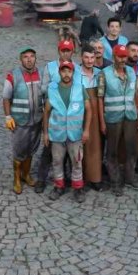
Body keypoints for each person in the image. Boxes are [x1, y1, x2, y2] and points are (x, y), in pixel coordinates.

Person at [98, 45, 138, 196]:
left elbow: (133, 96)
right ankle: (115, 181)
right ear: (113, 57)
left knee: (131, 149)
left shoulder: (131, 72)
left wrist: (137, 115)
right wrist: (102, 121)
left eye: (124, 56)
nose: (123, 59)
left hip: (130, 116)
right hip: (112, 118)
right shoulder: (104, 74)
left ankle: (130, 177)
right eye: (120, 56)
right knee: (112, 151)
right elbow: (100, 99)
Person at [42, 62, 91, 202]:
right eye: (63, 71)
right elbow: (46, 112)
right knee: (57, 162)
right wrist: (45, 133)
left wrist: (86, 130)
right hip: (57, 135)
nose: (66, 74)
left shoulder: (80, 88)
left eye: (69, 71)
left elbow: (89, 110)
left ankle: (78, 188)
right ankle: (59, 186)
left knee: (77, 162)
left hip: (75, 135)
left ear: (73, 73)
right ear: (59, 73)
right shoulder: (52, 90)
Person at [3, 47, 46, 194]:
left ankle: (26, 175)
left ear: (35, 58)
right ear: (21, 59)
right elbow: (6, 98)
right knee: (19, 150)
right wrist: (8, 117)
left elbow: (45, 95)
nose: (29, 59)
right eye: (26, 57)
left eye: (32, 56)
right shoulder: (13, 76)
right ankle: (16, 178)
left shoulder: (41, 74)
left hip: (37, 120)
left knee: (31, 149)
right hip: (20, 121)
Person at [77, 45, 105, 191]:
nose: (89, 61)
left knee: (95, 147)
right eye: (86, 57)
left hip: (95, 116)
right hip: (78, 114)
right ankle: (78, 179)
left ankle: (95, 178)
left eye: (92, 57)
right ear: (81, 57)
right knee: (78, 148)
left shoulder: (100, 74)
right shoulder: (75, 73)